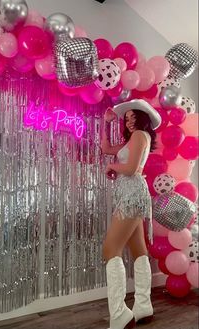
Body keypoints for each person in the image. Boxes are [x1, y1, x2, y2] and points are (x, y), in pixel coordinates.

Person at [101, 99, 161, 329]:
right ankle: (143, 306)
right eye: (125, 118)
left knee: (110, 249)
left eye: (131, 116)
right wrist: (107, 124)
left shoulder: (139, 136)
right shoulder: (133, 139)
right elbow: (106, 149)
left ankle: (119, 315)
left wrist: (112, 167)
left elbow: (132, 169)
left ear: (142, 117)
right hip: (130, 194)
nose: (127, 120)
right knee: (138, 249)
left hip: (132, 194)